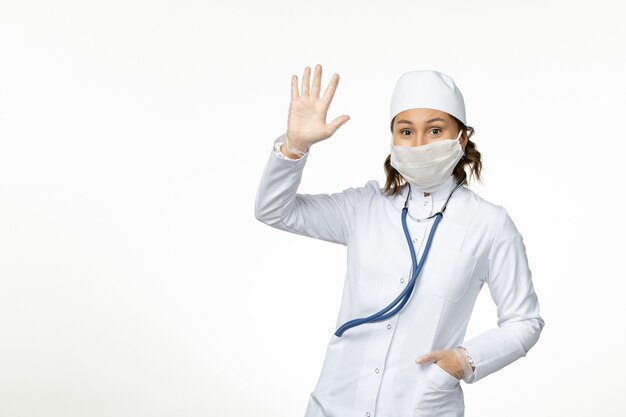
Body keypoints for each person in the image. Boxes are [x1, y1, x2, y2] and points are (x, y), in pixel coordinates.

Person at [254, 64, 545, 417]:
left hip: (422, 405)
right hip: (335, 404)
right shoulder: (364, 207)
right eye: (406, 131)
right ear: (393, 139)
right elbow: (274, 211)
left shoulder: (489, 224)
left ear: (461, 138)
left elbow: (524, 321)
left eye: (435, 130)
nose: (419, 144)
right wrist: (294, 146)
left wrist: (462, 361)